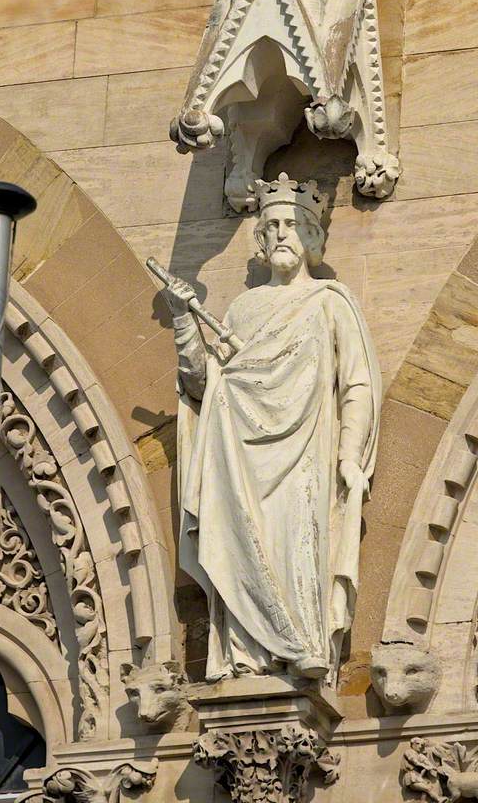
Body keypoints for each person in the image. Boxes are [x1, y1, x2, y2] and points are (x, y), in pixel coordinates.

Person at [163, 173, 382, 683]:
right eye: (271, 226)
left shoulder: (331, 301)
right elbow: (204, 384)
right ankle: (245, 653)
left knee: (299, 545)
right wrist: (181, 320)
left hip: (306, 456)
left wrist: (350, 455)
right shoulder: (243, 309)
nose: (281, 233)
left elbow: (357, 384)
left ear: (311, 237)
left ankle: (301, 643)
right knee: (244, 546)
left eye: (292, 224)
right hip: (241, 460)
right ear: (259, 240)